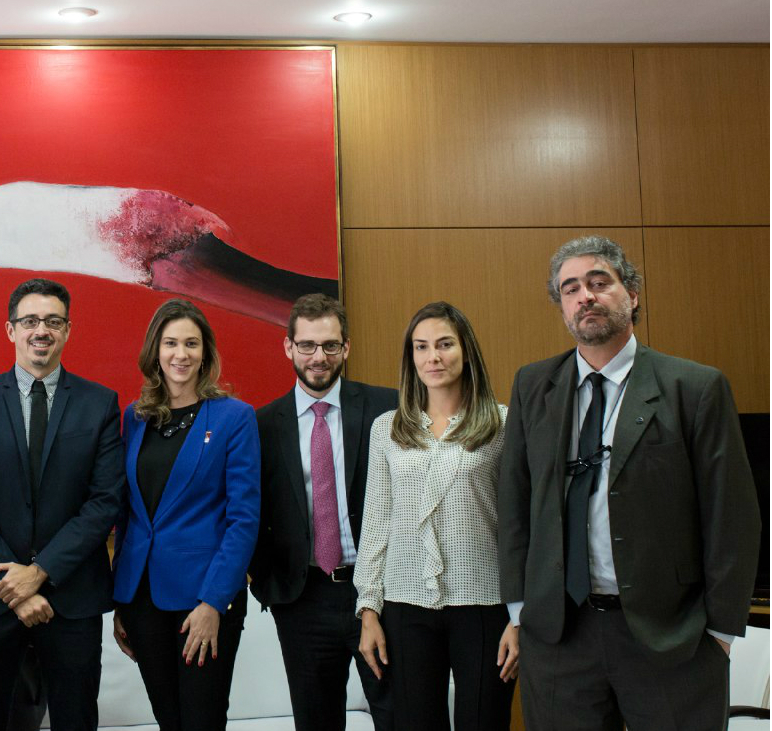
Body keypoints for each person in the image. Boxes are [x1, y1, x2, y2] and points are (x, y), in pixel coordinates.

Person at [498, 235, 761, 731]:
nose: (585, 297)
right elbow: (514, 502)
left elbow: (732, 516)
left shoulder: (695, 388)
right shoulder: (534, 385)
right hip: (559, 636)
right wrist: (520, 610)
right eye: (571, 288)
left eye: (600, 283)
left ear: (632, 294)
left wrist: (721, 632)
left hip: (670, 638)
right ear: (561, 305)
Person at [0, 278, 126, 731]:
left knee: (76, 720)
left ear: (68, 330)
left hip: (70, 598)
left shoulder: (100, 403)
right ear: (11, 330)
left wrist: (40, 573)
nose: (40, 330)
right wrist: (13, 583)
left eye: (53, 321)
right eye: (29, 320)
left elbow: (104, 501)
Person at [354, 301, 518, 731]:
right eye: (421, 347)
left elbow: (523, 527)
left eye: (445, 344)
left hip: (484, 604)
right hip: (405, 606)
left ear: (466, 351)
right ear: (411, 358)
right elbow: (376, 524)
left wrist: (522, 618)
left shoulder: (503, 424)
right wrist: (369, 610)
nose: (434, 357)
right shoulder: (387, 429)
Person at [249, 293, 396, 731]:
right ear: (289, 347)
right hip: (302, 598)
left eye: (330, 345)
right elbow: (249, 509)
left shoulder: (387, 408)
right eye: (308, 345)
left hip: (381, 593)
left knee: (399, 715)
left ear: (346, 348)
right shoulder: (262, 424)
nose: (319, 356)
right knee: (316, 721)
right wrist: (266, 578)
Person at [112, 298, 260, 731]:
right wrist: (122, 600)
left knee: (202, 721)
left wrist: (215, 601)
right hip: (141, 599)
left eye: (191, 343)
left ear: (205, 352)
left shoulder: (235, 418)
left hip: (203, 600)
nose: (181, 353)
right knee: (169, 720)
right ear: (155, 351)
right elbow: (127, 513)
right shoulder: (135, 419)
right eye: (171, 342)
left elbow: (244, 519)